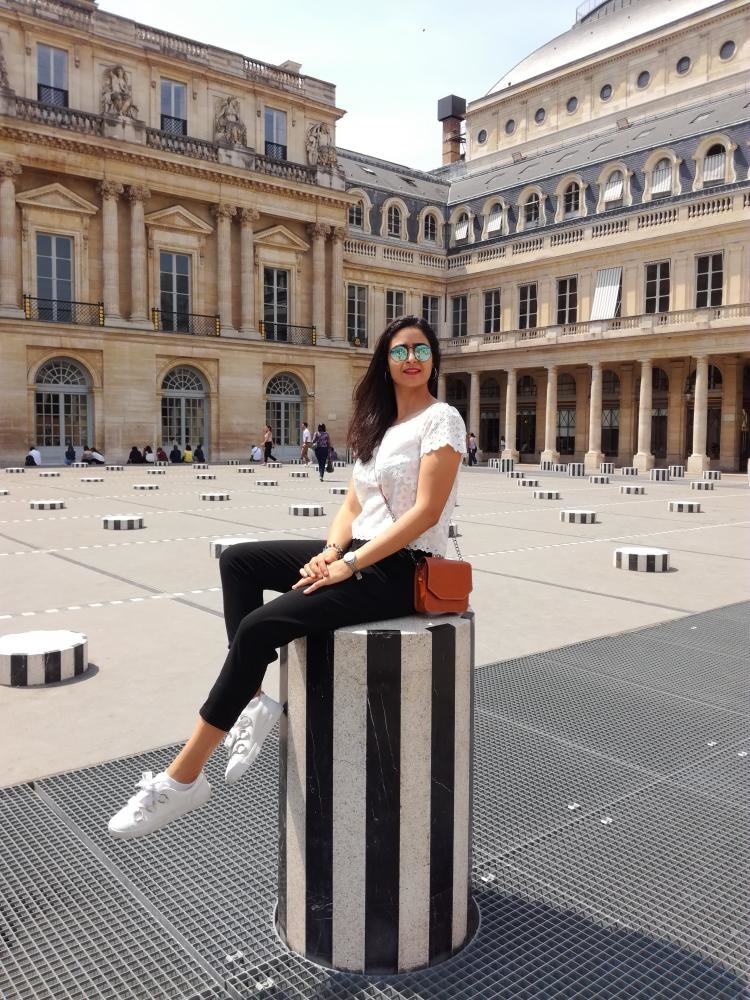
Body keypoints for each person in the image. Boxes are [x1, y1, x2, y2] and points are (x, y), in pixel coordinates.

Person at [107, 315, 465, 840]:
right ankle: (253, 702)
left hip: (402, 567)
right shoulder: (379, 425)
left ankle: (182, 779)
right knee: (239, 562)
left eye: (420, 350)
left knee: (259, 629)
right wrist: (330, 551)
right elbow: (352, 505)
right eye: (399, 351)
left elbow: (427, 512)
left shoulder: (442, 419)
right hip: (359, 554)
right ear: (384, 362)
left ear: (434, 358)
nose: (411, 360)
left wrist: (350, 565)